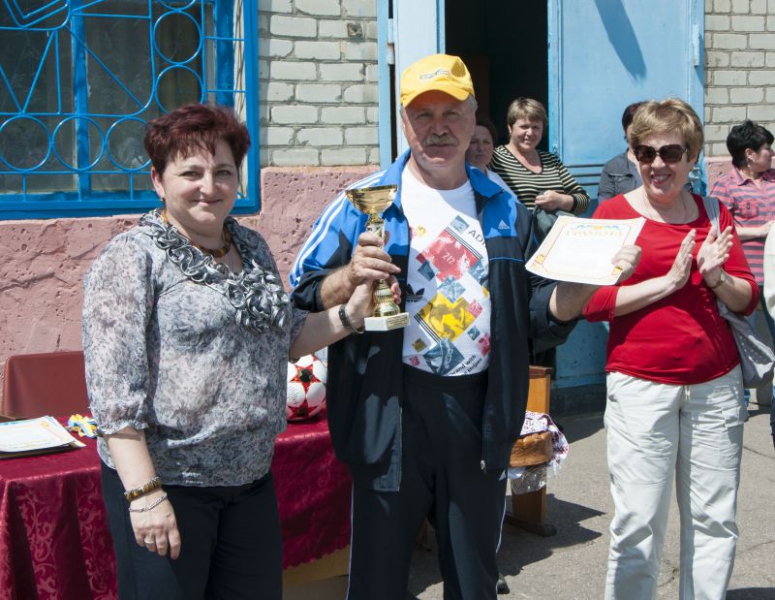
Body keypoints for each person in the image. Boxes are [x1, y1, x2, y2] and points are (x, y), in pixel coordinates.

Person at [289, 54, 639, 600]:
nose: (438, 127)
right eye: (423, 114)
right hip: (390, 407)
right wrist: (349, 277)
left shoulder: (504, 206)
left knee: (475, 577)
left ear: (473, 117)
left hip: (480, 409)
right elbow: (301, 291)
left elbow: (532, 314)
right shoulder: (362, 203)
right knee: (378, 577)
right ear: (404, 123)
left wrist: (583, 287)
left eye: (451, 112)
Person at [81, 103, 376, 599]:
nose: (209, 186)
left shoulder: (252, 247)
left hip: (250, 483)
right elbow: (114, 397)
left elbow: (285, 337)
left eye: (223, 172)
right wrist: (146, 496)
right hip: (169, 485)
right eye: (190, 173)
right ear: (157, 181)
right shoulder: (132, 259)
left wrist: (351, 315)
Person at [583, 98, 757, 599]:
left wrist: (716, 277)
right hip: (641, 387)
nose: (658, 164)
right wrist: (667, 283)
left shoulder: (714, 213)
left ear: (692, 156)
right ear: (634, 155)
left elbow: (746, 298)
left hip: (715, 387)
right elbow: (592, 303)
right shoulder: (613, 215)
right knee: (638, 521)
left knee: (714, 519)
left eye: (671, 152)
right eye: (646, 152)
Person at [710, 120, 775, 404]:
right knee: (742, 339)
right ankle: (741, 402)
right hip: (743, 277)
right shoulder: (726, 187)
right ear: (749, 153)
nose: (771, 154)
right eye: (767, 149)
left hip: (773, 276)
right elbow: (715, 229)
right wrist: (758, 231)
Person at [489, 97, 590, 215]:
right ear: (510, 128)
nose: (530, 133)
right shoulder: (494, 158)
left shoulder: (552, 160)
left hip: (554, 226)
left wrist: (560, 200)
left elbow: (584, 200)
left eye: (536, 127)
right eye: (524, 126)